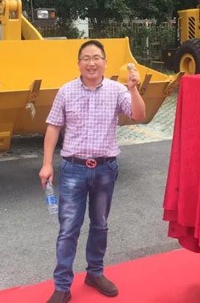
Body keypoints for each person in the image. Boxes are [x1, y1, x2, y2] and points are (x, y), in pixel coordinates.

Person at [39, 39, 146, 303]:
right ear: (78, 64)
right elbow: (53, 127)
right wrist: (47, 164)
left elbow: (139, 115)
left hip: (105, 169)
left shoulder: (117, 90)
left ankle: (95, 273)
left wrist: (133, 89)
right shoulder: (66, 91)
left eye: (96, 58)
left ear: (105, 63)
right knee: (68, 229)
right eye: (86, 58)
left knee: (100, 224)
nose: (91, 63)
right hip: (73, 169)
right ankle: (62, 286)